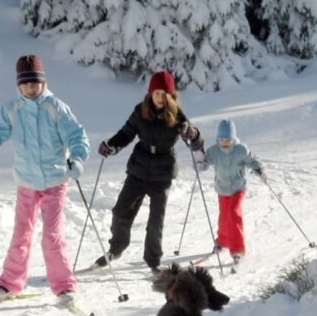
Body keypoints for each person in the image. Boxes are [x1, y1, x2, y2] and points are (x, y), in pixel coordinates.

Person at [0, 54, 90, 305]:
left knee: (52, 235)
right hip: (26, 181)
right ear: (19, 85)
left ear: (43, 82)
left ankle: (63, 286)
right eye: (26, 83)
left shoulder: (55, 107)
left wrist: (78, 158)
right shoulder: (12, 109)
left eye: (35, 82)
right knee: (21, 233)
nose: (30, 88)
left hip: (54, 181)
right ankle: (9, 283)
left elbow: (76, 136)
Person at [94, 70, 204, 272]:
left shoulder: (177, 115)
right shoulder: (140, 111)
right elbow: (126, 133)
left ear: (171, 96)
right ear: (150, 93)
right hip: (138, 169)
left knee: (155, 221)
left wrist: (192, 134)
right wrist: (111, 145)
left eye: (165, 94)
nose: (160, 98)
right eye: (156, 93)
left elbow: (196, 142)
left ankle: (153, 260)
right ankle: (116, 248)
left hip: (162, 174)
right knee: (121, 211)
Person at [196, 119, 264, 266]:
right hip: (222, 188)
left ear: (233, 138)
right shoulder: (214, 151)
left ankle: (238, 249)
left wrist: (258, 168)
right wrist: (200, 160)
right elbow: (203, 165)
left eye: (228, 140)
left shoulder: (241, 150)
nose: (225, 143)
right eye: (221, 140)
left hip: (238, 188)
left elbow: (252, 160)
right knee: (224, 215)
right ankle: (222, 241)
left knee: (233, 213)